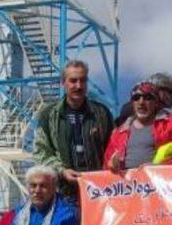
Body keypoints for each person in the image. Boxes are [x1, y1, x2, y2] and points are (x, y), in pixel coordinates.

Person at [32, 59, 115, 194]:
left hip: (98, 191)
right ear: (63, 82)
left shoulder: (101, 113)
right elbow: (42, 153)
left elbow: (114, 147)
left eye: (82, 80)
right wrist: (62, 171)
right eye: (73, 80)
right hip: (62, 193)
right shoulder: (49, 115)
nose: (78, 85)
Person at [104, 79, 172, 171]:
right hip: (126, 184)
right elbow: (107, 165)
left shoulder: (171, 125)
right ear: (132, 103)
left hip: (159, 182)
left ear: (156, 103)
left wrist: (161, 166)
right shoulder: (119, 133)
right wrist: (111, 166)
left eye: (147, 97)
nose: (141, 102)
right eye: (136, 97)